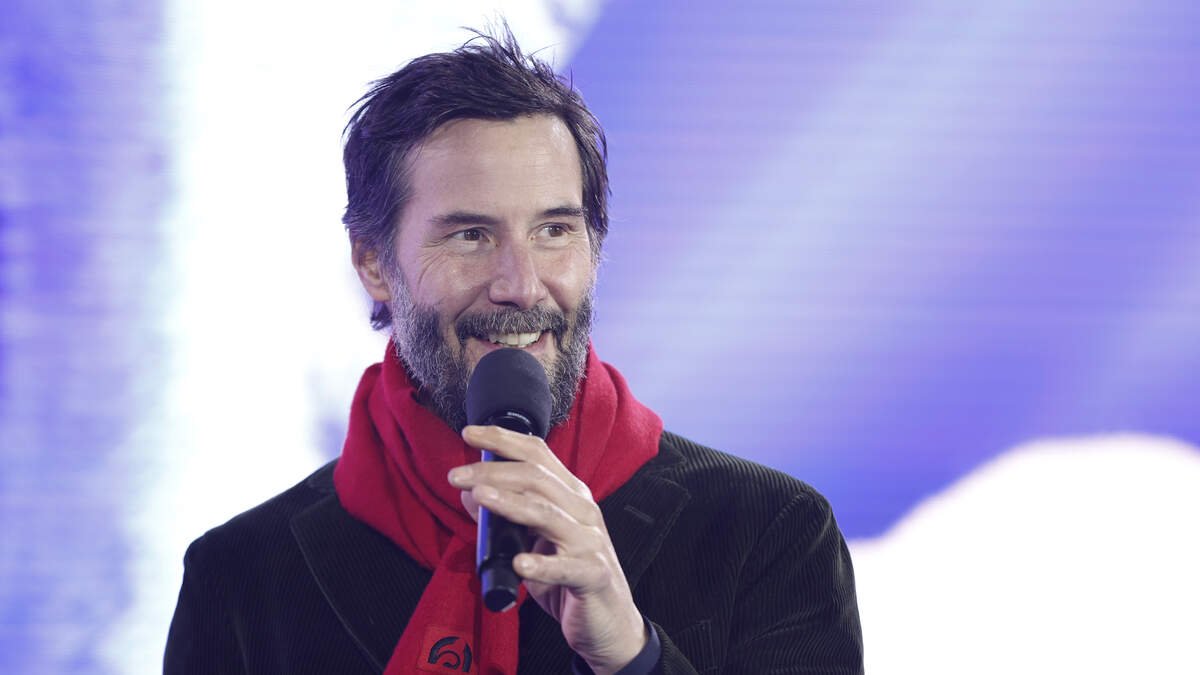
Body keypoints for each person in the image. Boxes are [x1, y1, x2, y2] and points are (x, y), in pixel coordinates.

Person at [164, 28, 863, 675]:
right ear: (374, 262)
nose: (521, 285)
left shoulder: (768, 531)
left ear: (595, 247)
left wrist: (631, 653)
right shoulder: (242, 575)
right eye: (470, 235)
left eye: (554, 230)